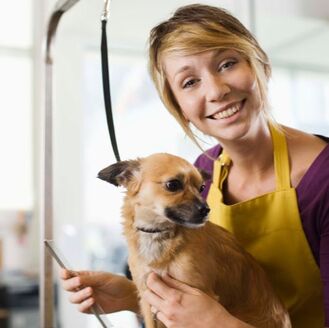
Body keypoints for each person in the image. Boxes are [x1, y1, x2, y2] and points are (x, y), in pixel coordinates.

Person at [60, 4, 329, 327]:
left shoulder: (322, 180)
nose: (216, 91)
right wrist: (134, 295)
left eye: (227, 64)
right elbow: (219, 292)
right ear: (179, 107)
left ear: (261, 64)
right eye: (189, 82)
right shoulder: (204, 171)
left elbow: (216, 317)